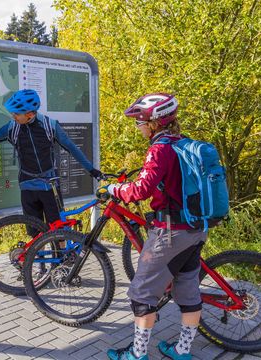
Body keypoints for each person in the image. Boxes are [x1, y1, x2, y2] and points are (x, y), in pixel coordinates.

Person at [96, 93, 207, 360]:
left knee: (141, 295)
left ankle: (137, 354)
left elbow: (140, 190)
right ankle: (182, 351)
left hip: (170, 232)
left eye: (141, 122)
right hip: (196, 229)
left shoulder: (160, 148)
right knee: (188, 291)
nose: (139, 127)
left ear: (155, 123)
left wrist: (113, 188)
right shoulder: (184, 143)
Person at [0, 89, 103, 232]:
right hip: (27, 185)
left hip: (50, 186)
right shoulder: (12, 128)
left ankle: (61, 264)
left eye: (17, 113)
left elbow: (72, 148)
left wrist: (91, 170)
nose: (13, 115)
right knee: (34, 232)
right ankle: (39, 267)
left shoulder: (50, 126)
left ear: (30, 114)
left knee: (58, 229)